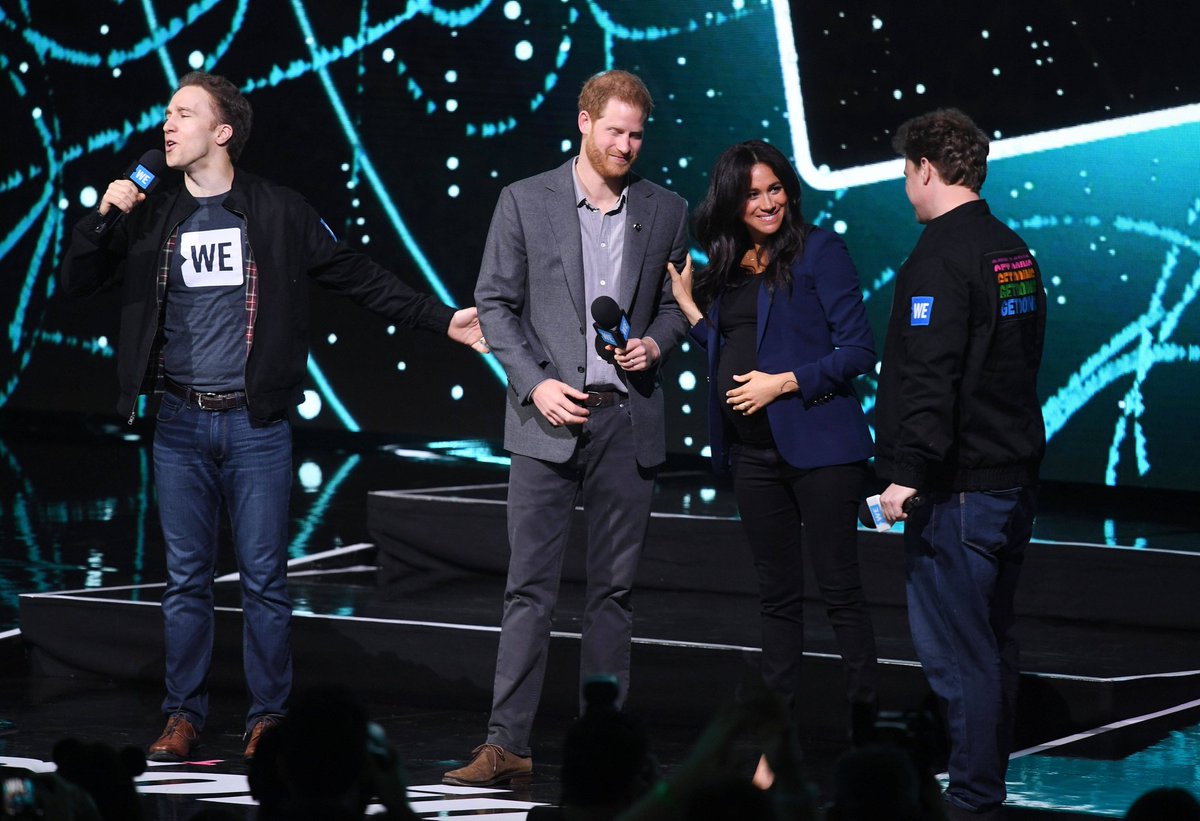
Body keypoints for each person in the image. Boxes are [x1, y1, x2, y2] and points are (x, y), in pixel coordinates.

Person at [59, 71, 484, 764]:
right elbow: (76, 280)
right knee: (186, 580)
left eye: (184, 113)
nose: (167, 125)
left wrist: (441, 320)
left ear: (222, 131)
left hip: (255, 426)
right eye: (167, 113)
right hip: (179, 423)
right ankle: (182, 715)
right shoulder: (151, 214)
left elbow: (356, 274)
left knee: (263, 580)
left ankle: (267, 719)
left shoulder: (278, 210)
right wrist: (104, 215)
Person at [443, 69, 690, 787]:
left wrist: (655, 345)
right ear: (583, 123)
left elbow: (676, 307)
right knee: (529, 588)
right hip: (546, 420)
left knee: (613, 593)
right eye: (614, 130)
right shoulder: (525, 200)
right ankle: (507, 743)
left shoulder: (666, 209)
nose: (625, 145)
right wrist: (536, 383)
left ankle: (603, 750)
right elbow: (494, 303)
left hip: (627, 419)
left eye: (636, 135)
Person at [667, 140, 879, 782]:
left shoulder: (820, 252)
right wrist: (691, 311)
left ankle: (869, 740)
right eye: (752, 193)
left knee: (840, 593)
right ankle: (774, 749)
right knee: (777, 601)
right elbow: (732, 346)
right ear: (731, 202)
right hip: (754, 458)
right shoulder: (729, 267)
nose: (766, 203)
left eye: (775, 189)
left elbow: (857, 350)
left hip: (823, 451)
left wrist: (782, 383)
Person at [874, 108, 1046, 820]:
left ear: (926, 168)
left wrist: (907, 473)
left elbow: (930, 375)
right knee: (991, 643)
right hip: (1009, 478)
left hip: (961, 490)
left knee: (960, 650)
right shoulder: (1012, 250)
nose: (904, 187)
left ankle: (974, 798)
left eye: (905, 172)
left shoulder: (941, 258)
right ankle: (984, 787)